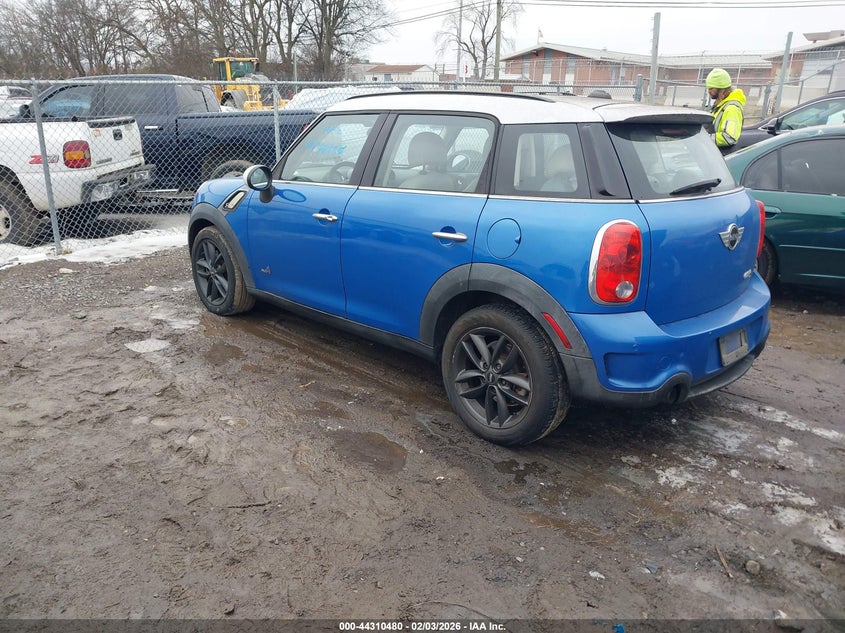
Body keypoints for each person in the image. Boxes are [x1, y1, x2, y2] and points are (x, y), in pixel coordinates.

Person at [706, 68, 746, 154]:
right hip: (716, 153)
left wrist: (705, 139)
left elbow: (729, 137)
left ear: (721, 89)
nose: (708, 91)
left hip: (723, 156)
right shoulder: (720, 105)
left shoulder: (732, 109)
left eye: (711, 88)